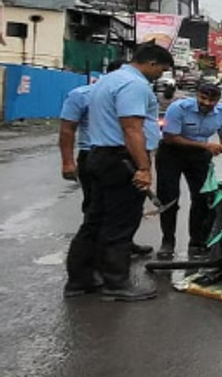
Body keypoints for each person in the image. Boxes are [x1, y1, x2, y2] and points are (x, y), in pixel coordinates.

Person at [65, 43, 174, 302]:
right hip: (121, 160)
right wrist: (144, 168)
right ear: (151, 63)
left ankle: (80, 280)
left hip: (99, 155)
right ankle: (115, 283)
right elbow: (131, 129)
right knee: (119, 224)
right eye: (161, 70)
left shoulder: (108, 80)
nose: (160, 75)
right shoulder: (134, 85)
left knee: (94, 222)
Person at [59, 61, 155, 258]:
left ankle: (120, 247)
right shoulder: (82, 95)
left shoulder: (131, 92)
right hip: (99, 154)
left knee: (124, 211)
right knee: (97, 211)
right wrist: (68, 162)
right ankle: (100, 258)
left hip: (125, 154)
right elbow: (67, 129)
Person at [156, 82, 222, 260]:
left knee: (203, 199)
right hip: (172, 153)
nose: (206, 103)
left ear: (218, 101)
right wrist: (205, 146)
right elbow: (170, 137)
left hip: (199, 156)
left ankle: (197, 242)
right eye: (203, 98)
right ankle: (167, 242)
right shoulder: (178, 108)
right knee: (169, 198)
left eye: (212, 100)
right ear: (197, 95)